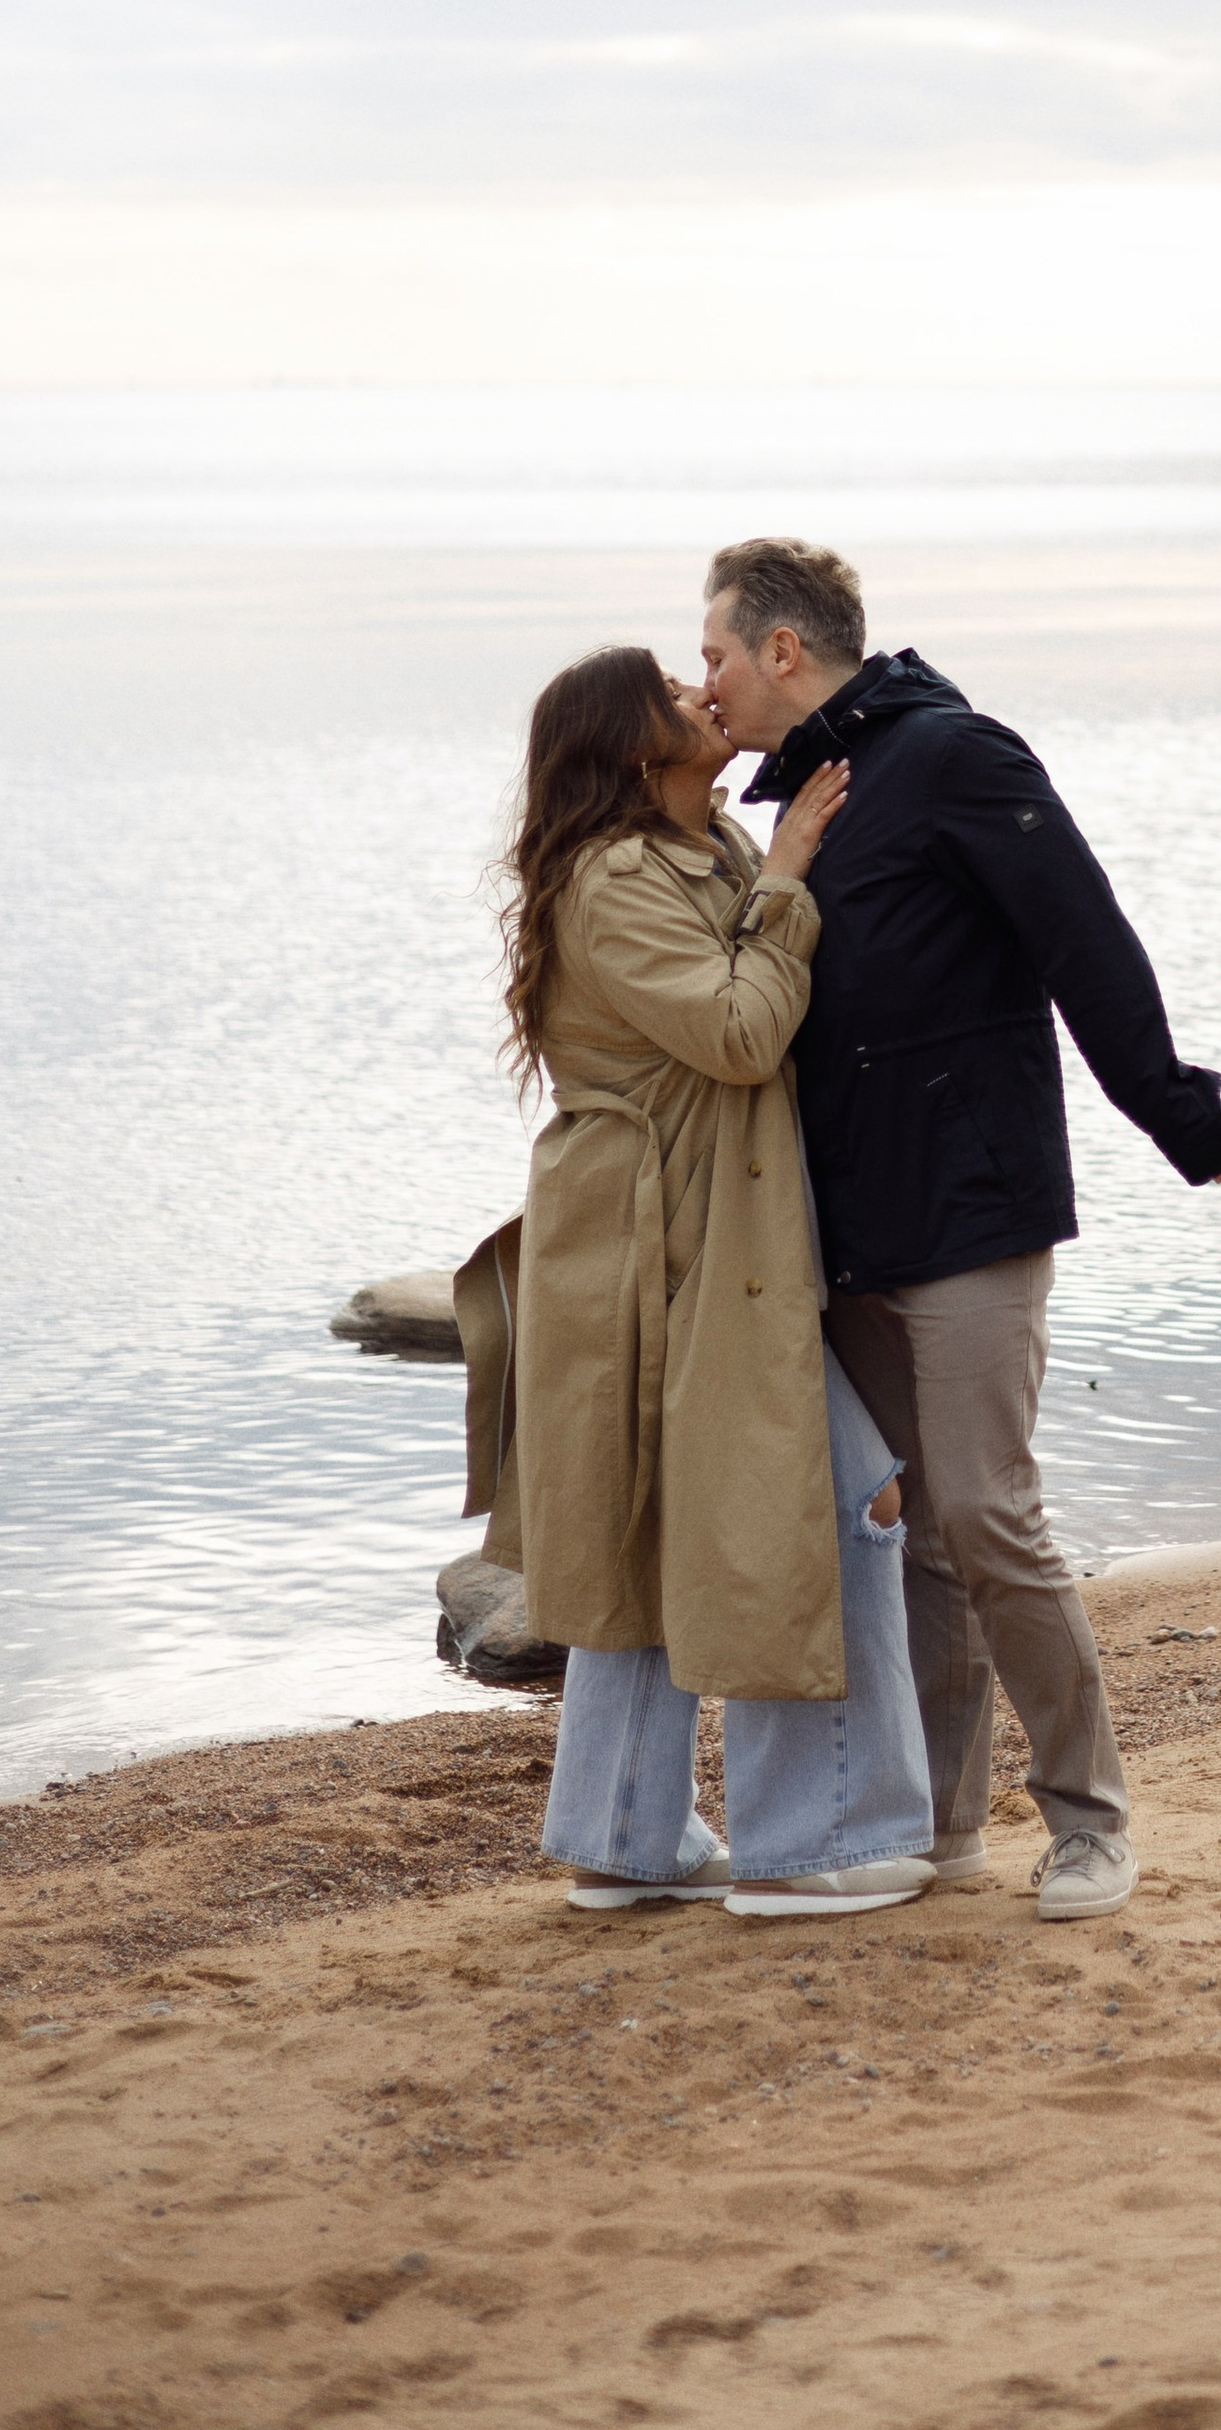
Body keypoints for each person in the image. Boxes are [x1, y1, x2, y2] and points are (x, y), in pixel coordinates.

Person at [699, 536, 1221, 1925]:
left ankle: (1092, 1822)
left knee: (986, 1516)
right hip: (840, 1232)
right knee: (911, 1538)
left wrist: (1195, 1128)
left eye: (719, 654)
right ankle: (946, 1825)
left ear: (784, 650)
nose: (708, 682)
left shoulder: (958, 755)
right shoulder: (798, 802)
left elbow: (1085, 945)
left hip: (971, 1214)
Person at [454, 643, 937, 1918]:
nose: (700, 694)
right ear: (629, 746)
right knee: (841, 1500)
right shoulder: (619, 876)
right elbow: (736, 1033)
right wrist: (786, 883)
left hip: (680, 1233)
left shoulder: (700, 844)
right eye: (673, 691)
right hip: (671, 1243)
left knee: (655, 1523)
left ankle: (622, 1836)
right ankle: (809, 1841)